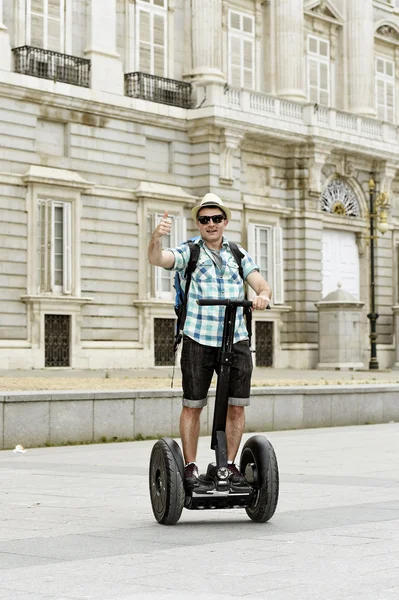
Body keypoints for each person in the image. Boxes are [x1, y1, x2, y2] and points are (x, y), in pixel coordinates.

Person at [148, 193, 272, 488]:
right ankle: (190, 467)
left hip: (236, 339)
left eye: (217, 218)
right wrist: (155, 238)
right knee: (193, 404)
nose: (211, 224)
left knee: (237, 406)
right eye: (205, 219)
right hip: (198, 338)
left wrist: (263, 295)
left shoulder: (238, 254)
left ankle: (228, 466)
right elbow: (157, 258)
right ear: (198, 223)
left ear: (225, 221)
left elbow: (260, 283)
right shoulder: (188, 251)